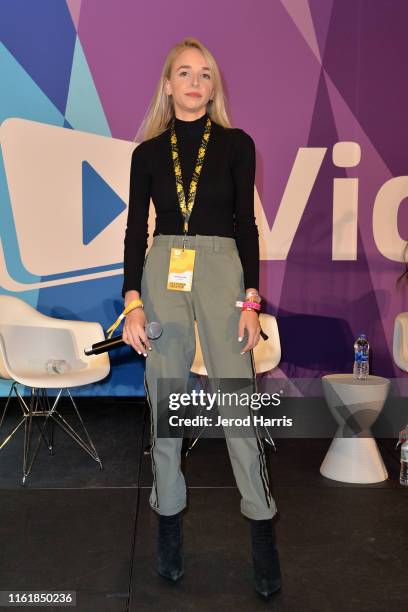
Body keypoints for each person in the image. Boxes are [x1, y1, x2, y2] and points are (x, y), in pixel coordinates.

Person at [121, 37, 281, 599]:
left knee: (238, 407)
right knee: (166, 407)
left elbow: (247, 227)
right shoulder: (146, 154)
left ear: (214, 87)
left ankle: (263, 536)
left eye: (205, 74)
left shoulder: (238, 145)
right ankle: (167, 534)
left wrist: (253, 301)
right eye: (184, 73)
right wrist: (132, 301)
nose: (196, 82)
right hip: (163, 267)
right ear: (167, 85)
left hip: (222, 271)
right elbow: (134, 231)